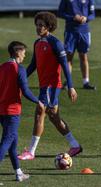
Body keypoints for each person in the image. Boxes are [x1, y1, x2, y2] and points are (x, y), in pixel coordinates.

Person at [18, 12, 82, 161]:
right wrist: (20, 79)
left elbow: (65, 66)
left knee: (39, 113)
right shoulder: (37, 43)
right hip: (44, 86)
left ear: (49, 27)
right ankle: (75, 145)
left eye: (42, 25)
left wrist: (71, 86)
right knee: (54, 117)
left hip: (51, 86)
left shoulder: (55, 43)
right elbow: (33, 64)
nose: (38, 28)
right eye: (37, 25)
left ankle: (31, 151)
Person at [0, 41, 44, 181]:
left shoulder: (2, 67)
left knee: (13, 142)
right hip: (12, 112)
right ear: (17, 52)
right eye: (24, 52)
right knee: (6, 141)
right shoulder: (20, 69)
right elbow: (25, 91)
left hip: (1, 110)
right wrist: (38, 101)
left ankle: (18, 173)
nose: (25, 54)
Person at [58, 0, 96, 90]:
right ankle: (67, 82)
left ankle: (86, 82)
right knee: (69, 57)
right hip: (71, 32)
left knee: (83, 56)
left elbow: (92, 14)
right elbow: (60, 13)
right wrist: (72, 18)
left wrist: (86, 18)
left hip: (85, 32)